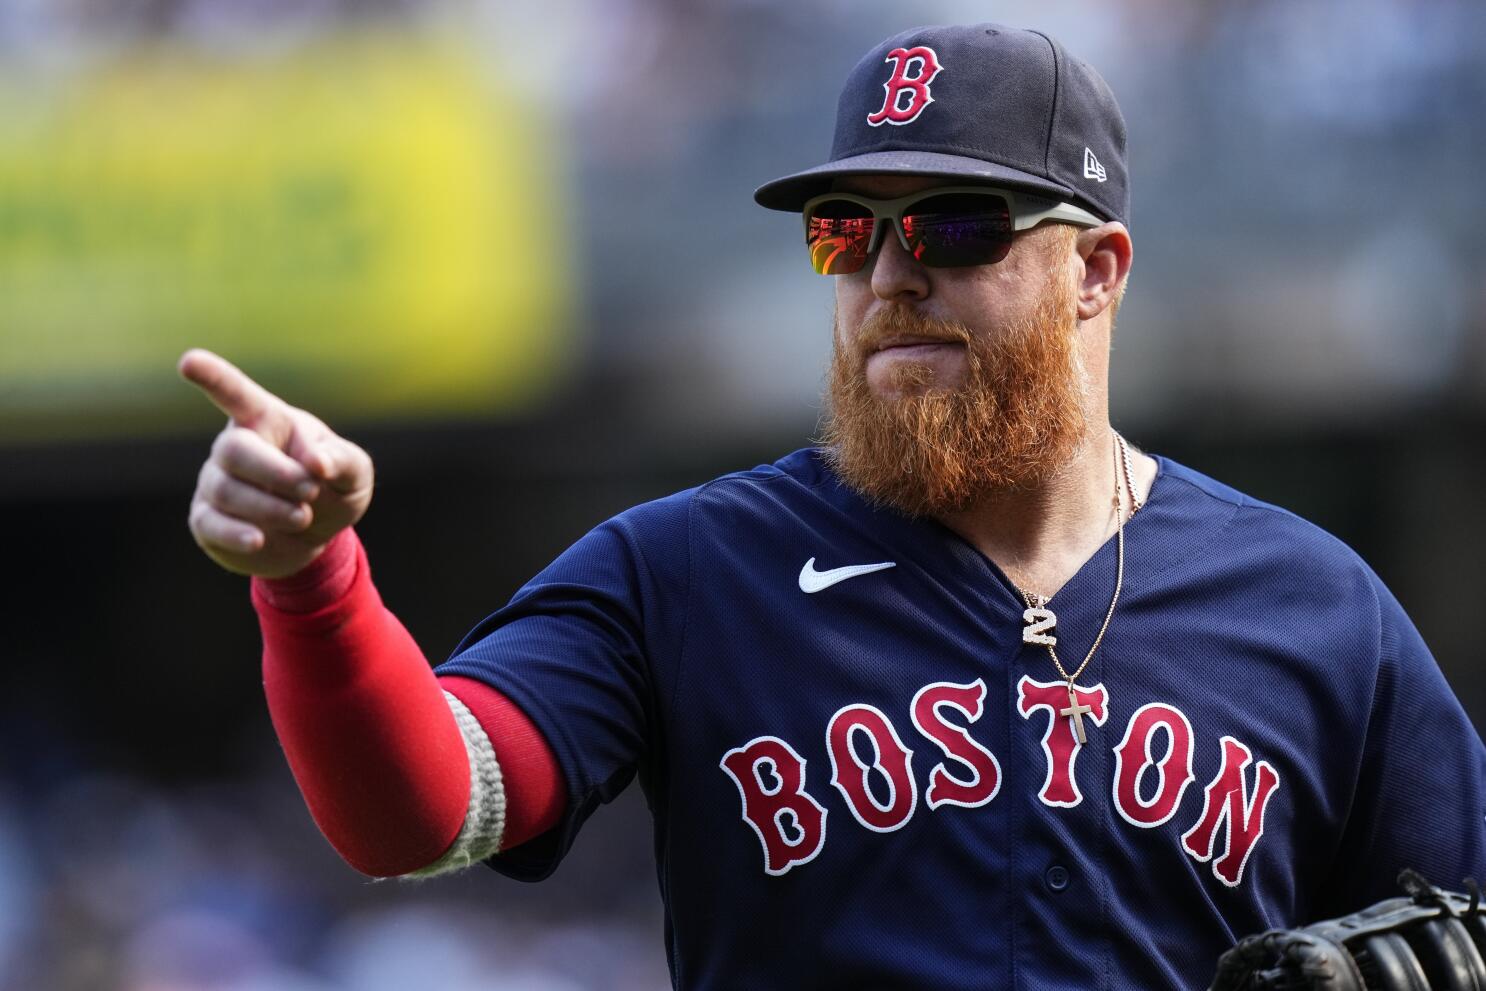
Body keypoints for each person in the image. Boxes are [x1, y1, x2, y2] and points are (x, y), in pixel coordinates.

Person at [180, 23, 1485, 991]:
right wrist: (312, 577)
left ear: (1094, 270)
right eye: (842, 233)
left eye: (956, 228)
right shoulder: (684, 569)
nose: (888, 273)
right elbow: (416, 811)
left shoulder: (1311, 607)